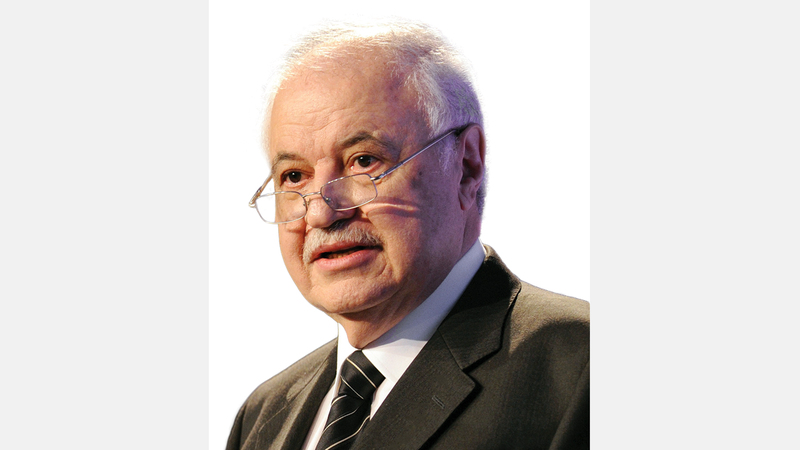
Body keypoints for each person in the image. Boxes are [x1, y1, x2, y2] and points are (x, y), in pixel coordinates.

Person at [227, 19, 589, 450]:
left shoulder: (582, 368)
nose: (322, 212)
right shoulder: (262, 417)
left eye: (364, 161)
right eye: (293, 176)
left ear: (466, 167)